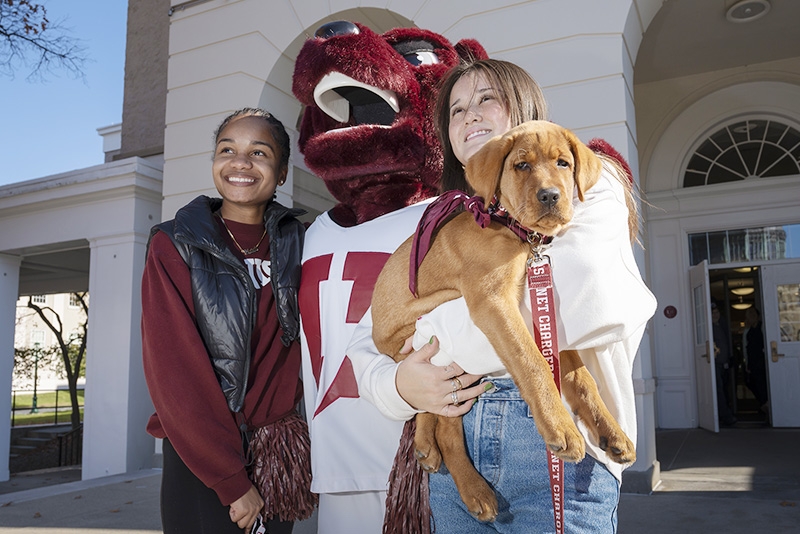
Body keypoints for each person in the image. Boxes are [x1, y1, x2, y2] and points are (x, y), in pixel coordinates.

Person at [348, 58, 657, 533]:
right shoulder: (445, 219)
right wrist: (402, 387)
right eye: (456, 109)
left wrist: (433, 340)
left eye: (486, 98)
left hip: (550, 450)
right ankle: (442, 434)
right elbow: (368, 341)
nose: (470, 115)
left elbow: (561, 309)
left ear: (527, 108)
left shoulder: (593, 186)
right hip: (466, 427)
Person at [141, 108, 315, 534]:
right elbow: (174, 371)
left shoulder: (304, 241)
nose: (241, 162)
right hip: (202, 454)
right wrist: (230, 479)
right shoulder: (174, 244)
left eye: (259, 152)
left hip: (278, 450)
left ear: (282, 172)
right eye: (227, 150)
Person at [712, 301, 737, 426]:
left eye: (717, 312)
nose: (715, 315)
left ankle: (726, 413)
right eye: (713, 313)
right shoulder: (710, 329)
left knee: (724, 390)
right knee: (719, 390)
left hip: (724, 363)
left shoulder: (721, 326)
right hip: (715, 364)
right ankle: (726, 416)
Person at [743, 307, 769, 411]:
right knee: (751, 382)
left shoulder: (763, 327)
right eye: (749, 315)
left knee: (761, 382)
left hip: (762, 360)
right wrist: (746, 363)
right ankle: (764, 403)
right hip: (752, 360)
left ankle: (765, 404)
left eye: (753, 315)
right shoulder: (747, 330)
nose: (751, 317)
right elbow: (745, 346)